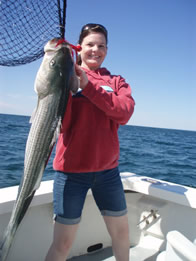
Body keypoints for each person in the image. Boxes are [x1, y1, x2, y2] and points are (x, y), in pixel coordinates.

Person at [45, 23, 135, 261]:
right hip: (70, 174)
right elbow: (60, 124)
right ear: (79, 47)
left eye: (101, 45)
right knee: (62, 244)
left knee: (122, 233)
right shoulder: (67, 76)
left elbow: (124, 112)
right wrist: (68, 81)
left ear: (107, 49)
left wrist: (88, 86)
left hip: (109, 173)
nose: (96, 49)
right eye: (90, 45)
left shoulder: (116, 82)